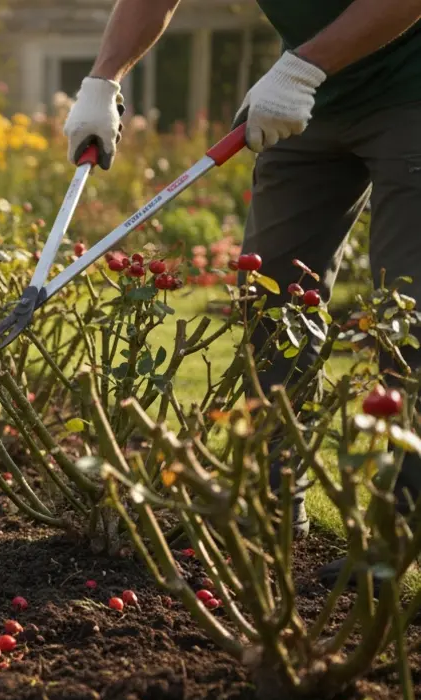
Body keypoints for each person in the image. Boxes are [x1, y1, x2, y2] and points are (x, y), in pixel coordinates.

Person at [62, 0, 421, 586]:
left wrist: (303, 67)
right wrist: (102, 79)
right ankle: (272, 504)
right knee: (272, 300)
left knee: (408, 316)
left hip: (410, 87)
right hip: (316, 97)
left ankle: (398, 535)